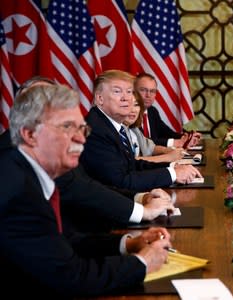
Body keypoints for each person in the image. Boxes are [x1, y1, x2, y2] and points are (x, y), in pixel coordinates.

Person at [0, 84, 172, 297]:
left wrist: (128, 244)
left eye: (82, 129)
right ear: (29, 134)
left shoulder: (34, 170)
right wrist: (142, 263)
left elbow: (63, 242)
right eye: (67, 128)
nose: (81, 139)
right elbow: (71, 277)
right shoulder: (16, 189)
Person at [0, 76, 176, 233]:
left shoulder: (52, 154)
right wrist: (142, 212)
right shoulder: (10, 166)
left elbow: (87, 186)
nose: (79, 139)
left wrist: (139, 202)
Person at [81, 70, 202, 192]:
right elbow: (120, 182)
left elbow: (132, 166)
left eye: (129, 92)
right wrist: (172, 174)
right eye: (117, 91)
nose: (126, 98)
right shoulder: (95, 130)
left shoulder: (115, 126)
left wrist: (172, 167)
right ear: (100, 99)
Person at [134, 72, 201, 148]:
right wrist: (173, 143)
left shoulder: (152, 111)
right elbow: (142, 141)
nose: (148, 95)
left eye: (152, 91)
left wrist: (186, 137)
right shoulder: (130, 114)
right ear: (134, 91)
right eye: (143, 90)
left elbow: (166, 132)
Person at [124, 91, 184, 163]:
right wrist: (167, 157)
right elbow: (130, 162)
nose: (133, 110)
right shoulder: (118, 132)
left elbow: (151, 148)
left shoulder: (134, 129)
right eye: (127, 105)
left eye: (136, 105)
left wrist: (169, 150)